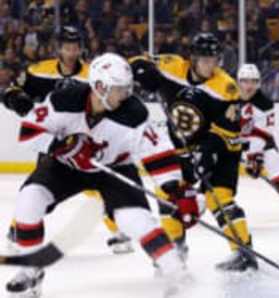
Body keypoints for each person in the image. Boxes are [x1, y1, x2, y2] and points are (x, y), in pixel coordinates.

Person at [6, 53, 199, 298]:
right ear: (99, 87)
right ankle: (30, 269)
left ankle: (175, 271)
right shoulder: (63, 100)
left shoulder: (134, 113)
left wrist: (175, 190)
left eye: (127, 88)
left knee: (135, 220)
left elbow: (157, 151)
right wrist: (61, 145)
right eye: (120, 89)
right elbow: (29, 132)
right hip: (65, 166)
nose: (126, 94)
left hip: (115, 168)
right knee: (29, 199)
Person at [130, 32, 257, 272]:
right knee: (168, 194)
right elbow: (137, 61)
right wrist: (141, 71)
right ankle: (175, 250)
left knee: (217, 197)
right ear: (193, 59)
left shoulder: (226, 87)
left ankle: (244, 252)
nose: (211, 65)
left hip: (223, 149)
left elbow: (228, 131)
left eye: (214, 60)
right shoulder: (171, 65)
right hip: (182, 148)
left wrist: (206, 154)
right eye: (205, 60)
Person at [2, 26, 133, 254]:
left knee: (98, 187)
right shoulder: (39, 71)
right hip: (52, 143)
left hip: (87, 141)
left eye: (75, 47)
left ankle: (119, 230)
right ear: (58, 49)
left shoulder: (92, 74)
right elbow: (13, 90)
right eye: (67, 48)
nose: (71, 52)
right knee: (36, 189)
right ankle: (17, 231)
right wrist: (15, 98)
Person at [237, 64, 279, 220]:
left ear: (258, 83)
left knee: (276, 165)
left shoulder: (265, 103)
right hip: (233, 140)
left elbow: (264, 132)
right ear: (239, 82)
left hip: (259, 142)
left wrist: (254, 157)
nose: (249, 85)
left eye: (253, 81)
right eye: (245, 81)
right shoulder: (228, 98)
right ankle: (200, 201)